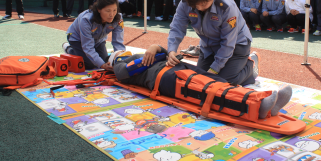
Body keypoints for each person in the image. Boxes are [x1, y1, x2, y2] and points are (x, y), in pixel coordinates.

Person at [108, 44, 292, 120]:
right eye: (120, 55)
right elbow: (128, 71)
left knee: (218, 82)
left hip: (177, 67)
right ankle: (257, 107)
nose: (125, 54)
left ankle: (261, 99)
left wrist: (156, 48)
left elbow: (165, 52)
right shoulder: (121, 66)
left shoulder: (137, 55)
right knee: (207, 91)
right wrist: (152, 56)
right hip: (165, 78)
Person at [167, 0, 256, 86]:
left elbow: (228, 43)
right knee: (198, 80)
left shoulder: (226, 7)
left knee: (223, 83)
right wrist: (171, 50)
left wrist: (214, 70)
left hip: (236, 45)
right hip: (208, 47)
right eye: (195, 5)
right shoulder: (186, 1)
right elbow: (177, 27)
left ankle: (250, 67)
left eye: (204, 4)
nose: (199, 8)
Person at [62, 0, 125, 70]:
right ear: (99, 9)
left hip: (98, 40)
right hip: (78, 39)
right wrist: (102, 65)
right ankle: (69, 49)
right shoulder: (86, 20)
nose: (112, 14)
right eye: (108, 11)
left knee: (105, 60)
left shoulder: (118, 17)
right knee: (90, 64)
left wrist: (120, 57)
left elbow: (118, 41)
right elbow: (87, 46)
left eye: (114, 10)